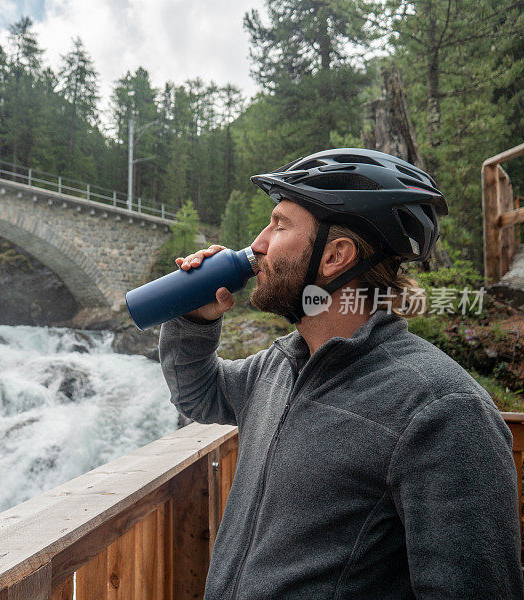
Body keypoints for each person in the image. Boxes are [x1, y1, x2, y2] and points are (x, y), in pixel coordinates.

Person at [159, 148, 524, 599]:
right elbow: (198, 395)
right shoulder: (280, 365)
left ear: (335, 256)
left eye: (278, 225)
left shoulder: (442, 410)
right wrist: (194, 319)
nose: (257, 244)